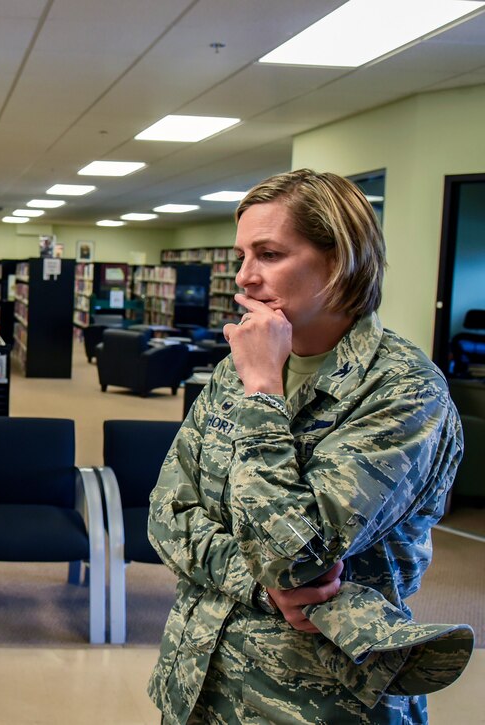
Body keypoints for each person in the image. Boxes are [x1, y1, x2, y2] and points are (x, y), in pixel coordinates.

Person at [147, 169, 470, 723]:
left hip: (319, 699)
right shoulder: (234, 369)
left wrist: (264, 392)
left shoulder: (405, 391)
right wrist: (260, 586)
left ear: (340, 260)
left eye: (269, 254)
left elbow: (294, 557)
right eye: (242, 255)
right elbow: (165, 514)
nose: (244, 278)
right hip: (198, 679)